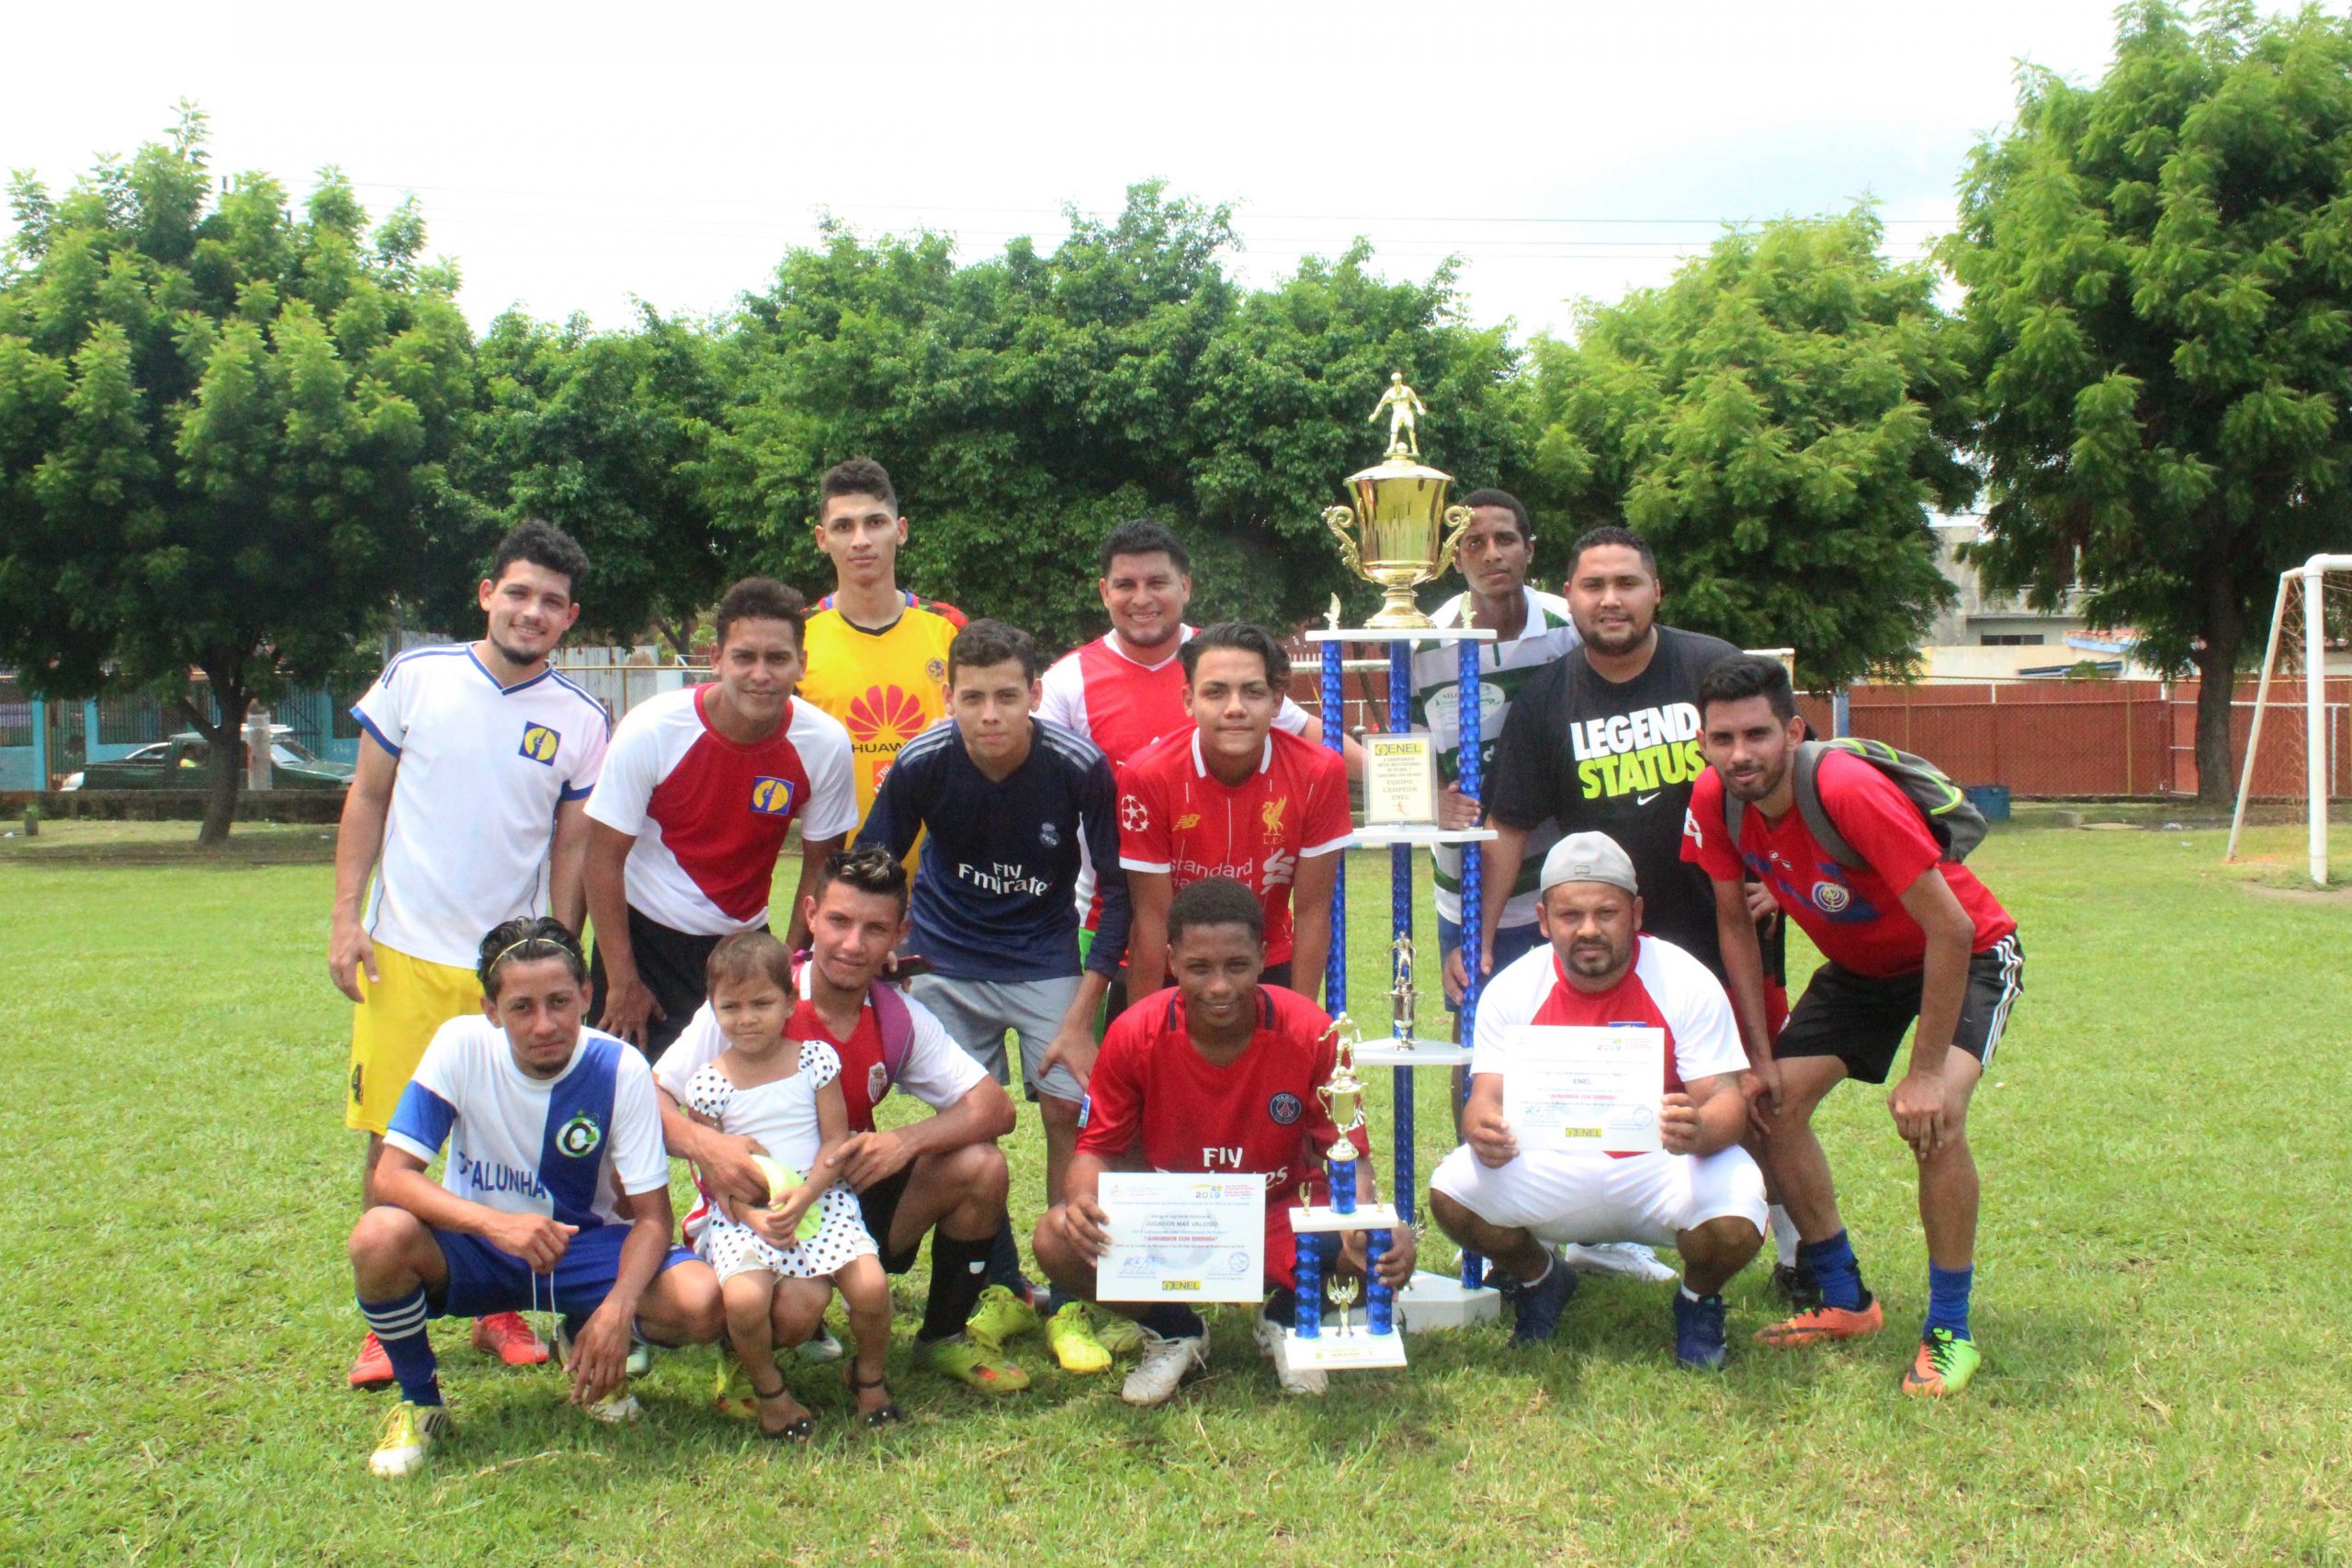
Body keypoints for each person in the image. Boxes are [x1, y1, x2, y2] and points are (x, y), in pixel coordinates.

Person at [1686, 655, 2023, 1398]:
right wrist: (1757, 1056)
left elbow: (1952, 927)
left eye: (1757, 734)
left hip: (1967, 954)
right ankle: (1844, 1296)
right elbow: (1732, 923)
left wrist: (1927, 1071)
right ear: (1703, 742)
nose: (1740, 754)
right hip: (1862, 971)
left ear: (1794, 731)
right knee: (1770, 1107)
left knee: (1935, 1120)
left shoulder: (1845, 786)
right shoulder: (1714, 798)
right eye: (1722, 738)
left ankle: (1950, 1331)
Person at [331, 521, 609, 1389]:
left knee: (504, 1138)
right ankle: (389, 1319)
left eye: (552, 602)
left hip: (509, 972)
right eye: (518, 592)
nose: (533, 611)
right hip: (405, 953)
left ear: (570, 618)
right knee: (392, 1136)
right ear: (488, 593)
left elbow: (570, 850)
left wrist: (560, 955)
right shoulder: (417, 678)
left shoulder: (581, 718)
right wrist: (347, 916)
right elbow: (368, 796)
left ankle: (494, 1305)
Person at [345, 918, 724, 1478]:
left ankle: (583, 1324)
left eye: (560, 1001)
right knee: (378, 1236)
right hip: (478, 1246)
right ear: (491, 1010)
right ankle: (422, 1404)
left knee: (701, 1302)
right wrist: (496, 1226)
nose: (545, 1024)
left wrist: (617, 1308)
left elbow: (652, 1220)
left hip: (580, 1247)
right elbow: (392, 1178)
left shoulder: (619, 1067)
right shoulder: (459, 1045)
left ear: (586, 997)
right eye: (522, 1007)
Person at [856, 619, 1133, 1372]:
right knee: (967, 1133)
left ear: (1035, 694)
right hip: (946, 958)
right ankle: (999, 1285)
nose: (989, 714)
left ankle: (1069, 1292)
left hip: (1044, 956)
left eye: (1006, 696)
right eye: (972, 697)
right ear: (947, 697)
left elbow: (1118, 890)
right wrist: (882, 946)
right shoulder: (920, 762)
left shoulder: (1079, 766)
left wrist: (1083, 1012)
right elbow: (870, 864)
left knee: (1064, 1111)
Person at [656, 848, 1036, 1396]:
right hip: (753, 1209)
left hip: (839, 1198)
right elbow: (649, 1099)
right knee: (790, 1313)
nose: (853, 944)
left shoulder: (895, 1014)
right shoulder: (756, 997)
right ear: (810, 914)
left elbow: (994, 1109)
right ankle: (748, 1355)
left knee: (981, 1166)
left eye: (874, 928)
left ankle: (944, 1336)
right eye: (838, 921)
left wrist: (904, 1141)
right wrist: (708, 1149)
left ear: (899, 934)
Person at [1031, 878, 1416, 1404]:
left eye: (1236, 966)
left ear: (1262, 956)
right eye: (1198, 968)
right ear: (1171, 960)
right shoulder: (1134, 1032)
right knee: (1056, 1236)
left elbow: (1350, 1154)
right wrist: (1081, 1201)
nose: (1218, 987)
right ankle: (1174, 1330)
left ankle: (1287, 1316)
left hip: (1277, 1211)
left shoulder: (1311, 1031)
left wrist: (1366, 1220)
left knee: (1386, 1241)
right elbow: (1095, 1148)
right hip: (1178, 1220)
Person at [1429, 833, 1765, 1371]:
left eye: (1606, 912)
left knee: (1738, 1212)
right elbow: (1483, 1099)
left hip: (1659, 1164)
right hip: (1551, 1164)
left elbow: (1727, 1101)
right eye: (1570, 915)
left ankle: (1698, 1301)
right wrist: (1483, 1128)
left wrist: (1698, 1128)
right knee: (1452, 1194)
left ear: (1635, 913)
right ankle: (1542, 1279)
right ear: (1543, 920)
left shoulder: (1683, 978)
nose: (1588, 929)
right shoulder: (1514, 988)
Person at [1036, 519, 1329, 975]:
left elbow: (1313, 738)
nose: (1142, 599)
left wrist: (1412, 788)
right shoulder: (1066, 681)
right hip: (1106, 920)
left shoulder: (1224, 661)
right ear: (1103, 592)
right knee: (1115, 1045)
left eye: (1157, 583)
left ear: (1186, 586)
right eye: (1125, 585)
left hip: (1241, 932)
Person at [584, 577, 857, 1061]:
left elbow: (820, 867)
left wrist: (790, 966)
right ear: (716, 659)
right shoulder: (652, 729)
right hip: (644, 942)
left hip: (744, 946)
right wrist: (623, 981)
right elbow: (602, 859)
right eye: (744, 657)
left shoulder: (825, 743)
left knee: (748, 1107)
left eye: (777, 658)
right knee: (626, 1108)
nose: (760, 674)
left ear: (801, 664)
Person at [680, 933, 898, 1437]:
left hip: (821, 1197)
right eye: (730, 1006)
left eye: (761, 1003)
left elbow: (835, 1140)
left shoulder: (813, 1061)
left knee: (871, 1288)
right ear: (712, 1009)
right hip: (746, 1212)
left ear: (788, 1003)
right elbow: (712, 1175)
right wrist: (754, 1215)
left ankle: (868, 1377)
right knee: (745, 1301)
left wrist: (806, 1195)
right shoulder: (709, 1084)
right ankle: (771, 1391)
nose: (747, 1018)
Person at [1406, 490, 1581, 1013]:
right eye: (1473, 542)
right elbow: (1403, 758)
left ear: (1529, 549)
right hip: (1468, 885)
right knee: (1477, 1039)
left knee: (1571, 1037)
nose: (1491, 554)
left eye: (1505, 539)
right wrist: (1429, 801)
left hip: (1566, 877)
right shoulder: (1423, 644)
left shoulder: (1569, 629)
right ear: (1454, 559)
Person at [1116, 622, 1353, 1004]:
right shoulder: (1147, 774)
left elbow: (1312, 912)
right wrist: (1144, 1031)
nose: (1235, 708)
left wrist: (1301, 1021)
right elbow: (1151, 918)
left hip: (1266, 963)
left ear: (1277, 701)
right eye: (1216, 692)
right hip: (1169, 969)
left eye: (1253, 692)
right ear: (1189, 699)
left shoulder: (1319, 771)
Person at [793, 457, 967, 851]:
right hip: (840, 880)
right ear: (822, 539)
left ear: (900, 530)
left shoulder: (949, 627)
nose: (860, 540)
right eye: (843, 526)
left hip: (942, 886)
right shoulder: (796, 636)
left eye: (875, 522)